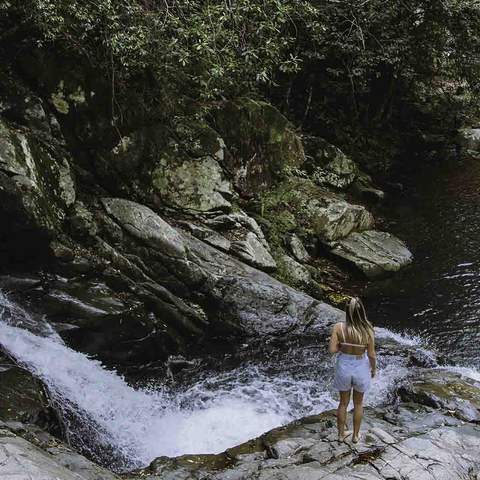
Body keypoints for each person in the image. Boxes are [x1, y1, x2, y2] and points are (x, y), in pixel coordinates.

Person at [328, 297, 376, 443]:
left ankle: (341, 435)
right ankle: (355, 436)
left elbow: (332, 350)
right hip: (361, 365)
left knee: (343, 403)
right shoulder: (367, 329)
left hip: (344, 365)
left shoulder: (338, 327)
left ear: (346, 312)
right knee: (358, 403)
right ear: (362, 311)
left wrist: (342, 346)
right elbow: (371, 354)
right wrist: (373, 369)